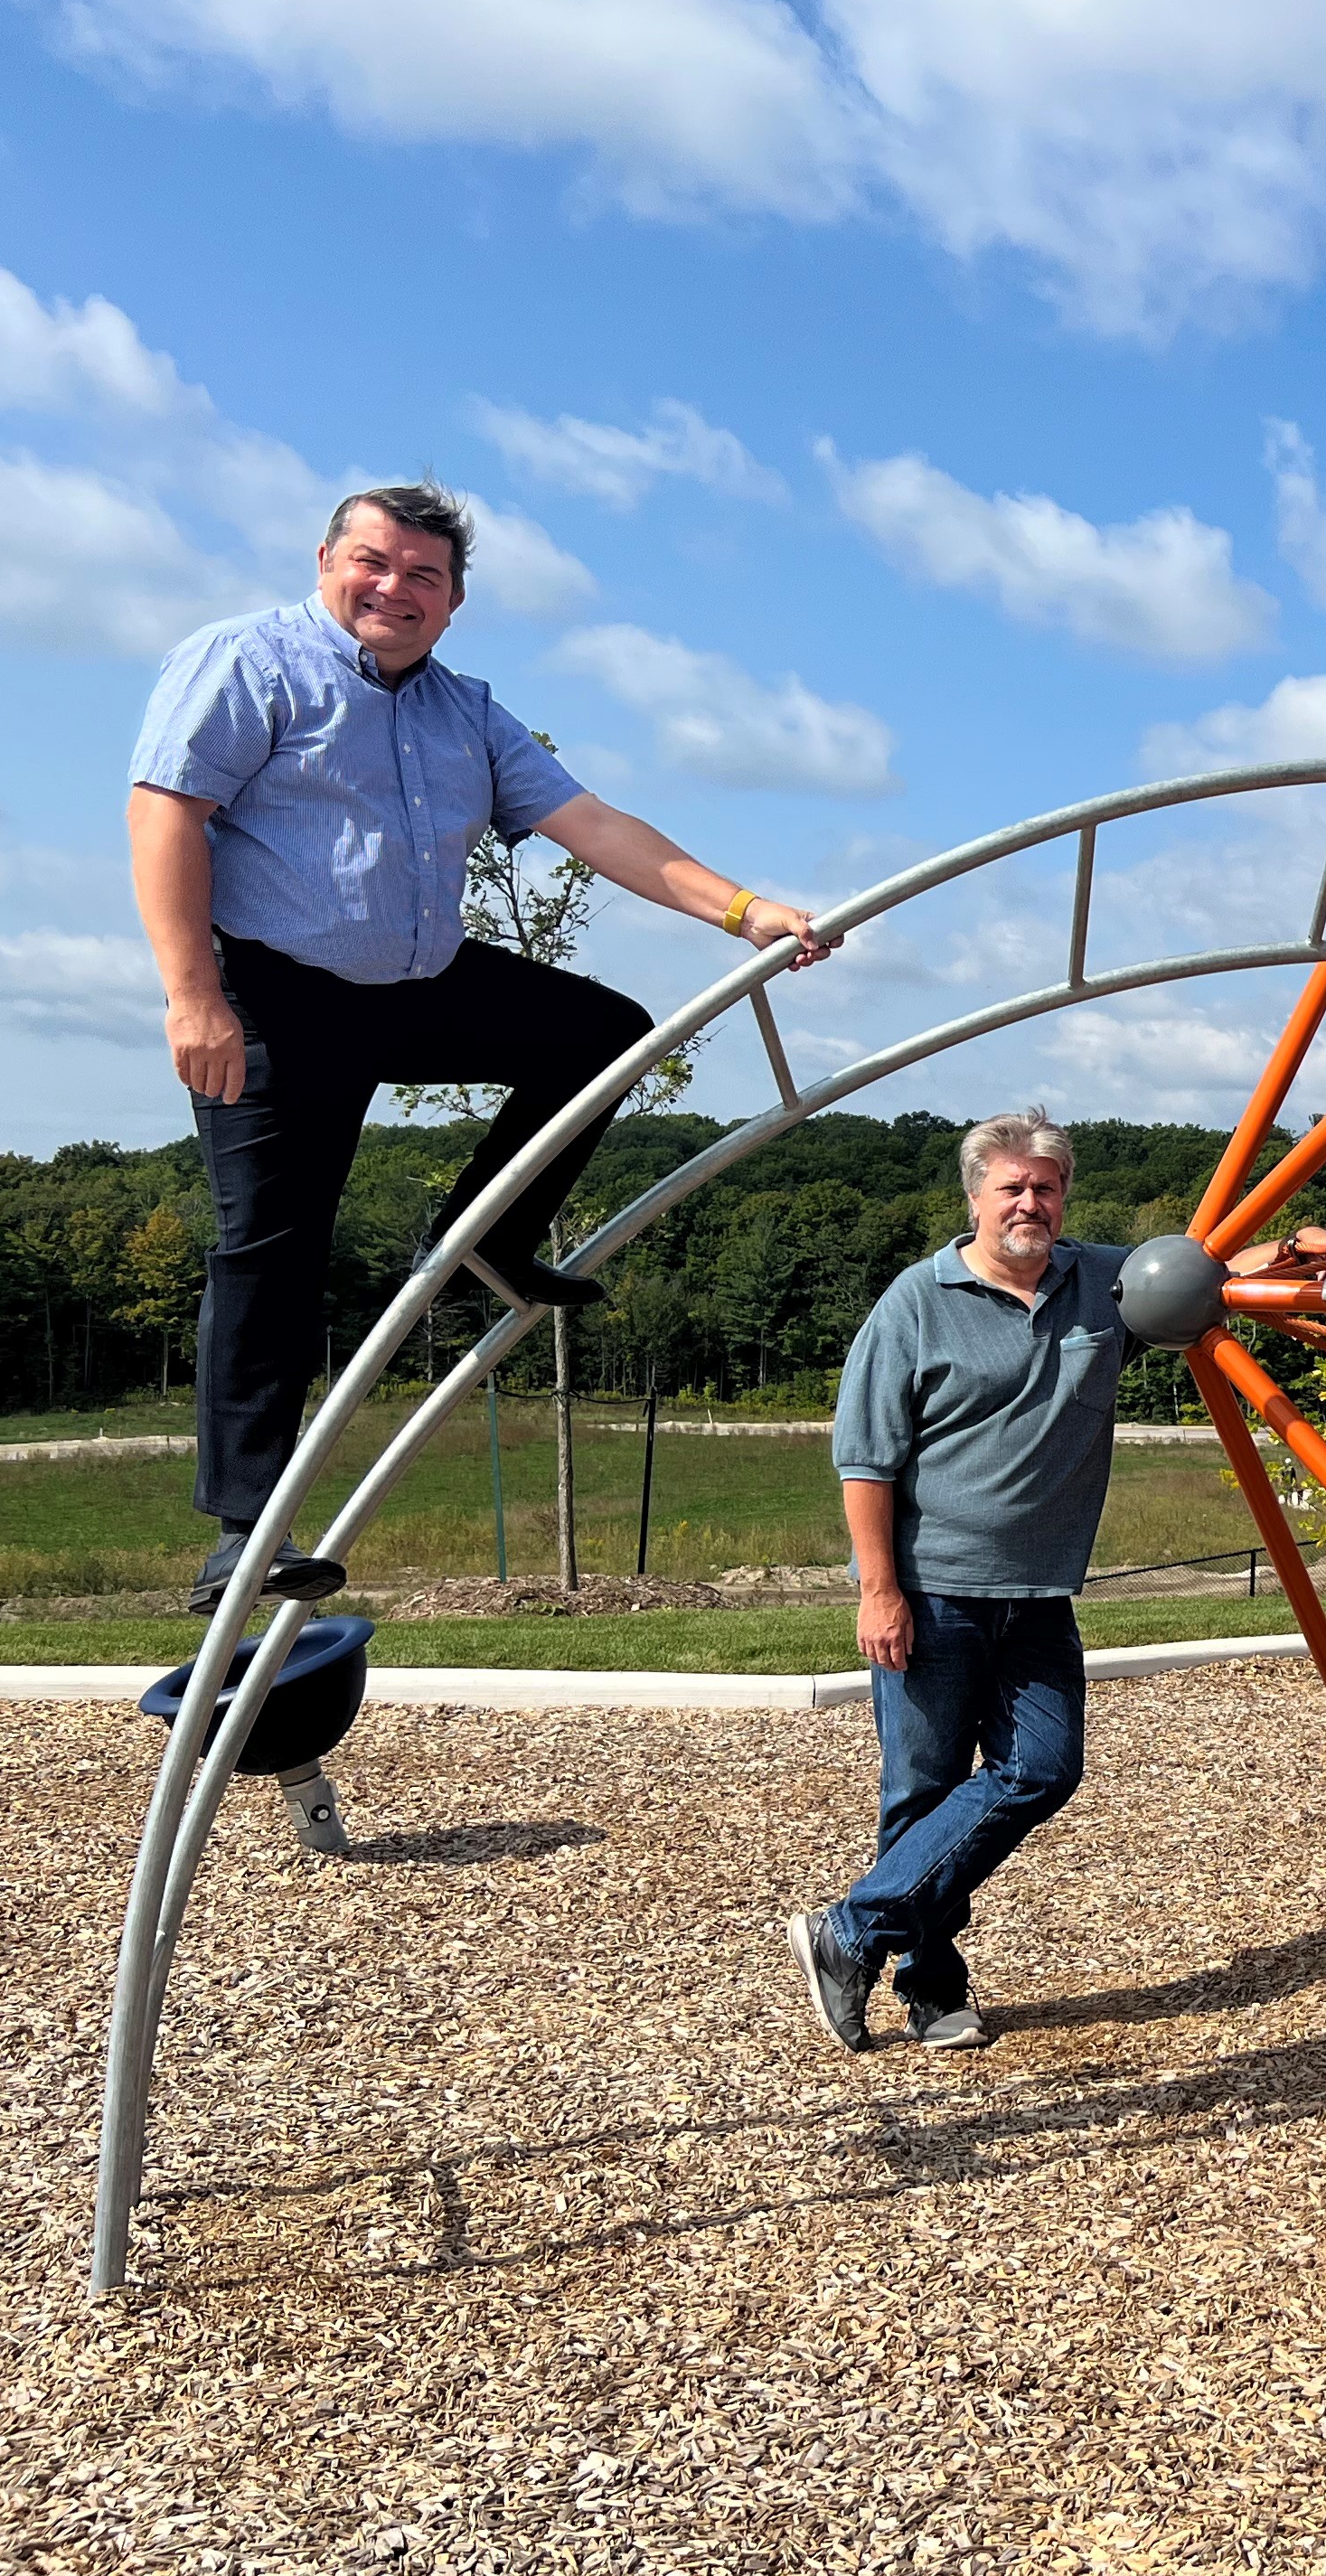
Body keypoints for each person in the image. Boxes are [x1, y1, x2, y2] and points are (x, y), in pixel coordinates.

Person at [127, 482, 833, 1612]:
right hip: (270, 996)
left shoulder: (466, 710)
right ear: (325, 561)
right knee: (271, 1248)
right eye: (374, 562)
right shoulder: (247, 663)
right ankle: (244, 1531)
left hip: (416, 982)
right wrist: (191, 994)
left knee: (601, 1031)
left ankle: (482, 1241)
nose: (393, 589)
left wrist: (745, 910)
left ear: (453, 604)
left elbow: (593, 826)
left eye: (423, 577)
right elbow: (166, 811)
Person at [785, 1112, 1128, 2054]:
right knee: (924, 1791)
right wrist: (878, 1589)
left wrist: (1301, 1247)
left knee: (1045, 1769)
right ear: (974, 1197)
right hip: (932, 1591)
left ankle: (849, 1929)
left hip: (1038, 1595)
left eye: (1046, 1187)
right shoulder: (915, 1301)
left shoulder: (1101, 1282)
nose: (1030, 1203)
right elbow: (865, 1459)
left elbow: (1201, 1262)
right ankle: (931, 1990)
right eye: (1012, 1187)